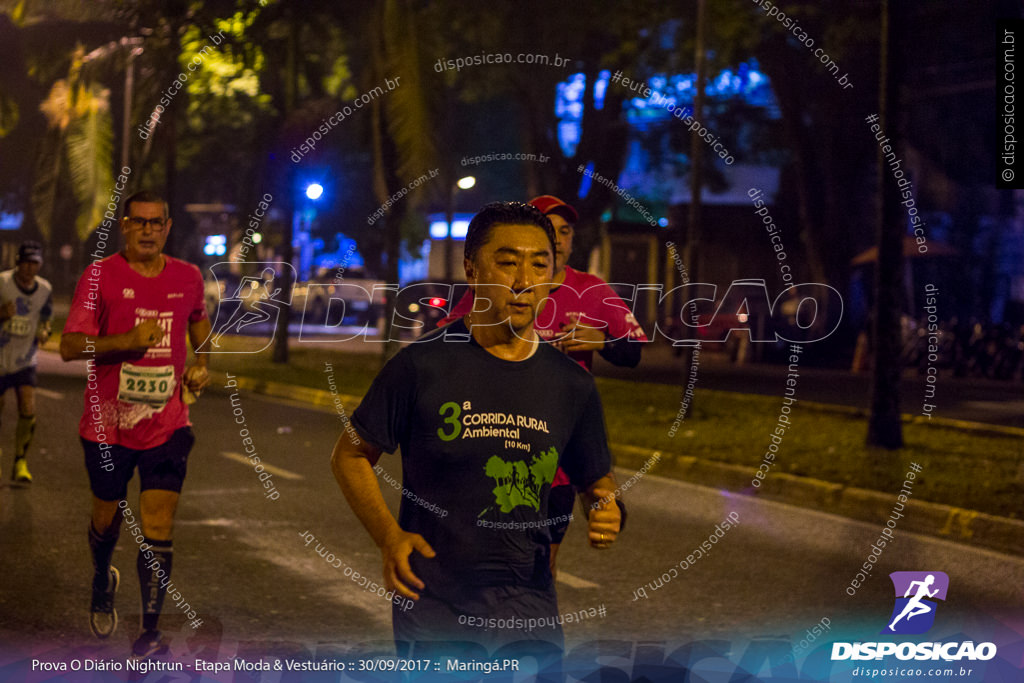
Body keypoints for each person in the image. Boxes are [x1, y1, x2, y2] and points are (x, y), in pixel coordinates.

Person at [332, 201, 622, 661]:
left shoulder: (572, 383)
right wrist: (389, 536)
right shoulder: (421, 366)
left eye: (539, 264)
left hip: (530, 605)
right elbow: (350, 455)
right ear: (471, 268)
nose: (524, 281)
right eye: (507, 263)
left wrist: (605, 506)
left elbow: (595, 478)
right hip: (436, 606)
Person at [439, 195, 645, 574]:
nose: (560, 240)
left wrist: (601, 340)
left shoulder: (593, 290)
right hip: (496, 437)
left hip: (560, 448)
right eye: (551, 231)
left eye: (565, 232)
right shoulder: (499, 287)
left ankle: (531, 618)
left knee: (541, 559)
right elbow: (447, 338)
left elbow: (633, 353)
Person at [60, 190, 211, 658]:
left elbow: (198, 321)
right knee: (106, 518)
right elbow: (68, 347)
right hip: (108, 426)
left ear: (167, 228)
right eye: (139, 222)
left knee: (158, 522)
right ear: (125, 226)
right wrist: (124, 340)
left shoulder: (187, 277)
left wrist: (201, 361)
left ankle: (149, 633)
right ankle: (103, 577)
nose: (148, 230)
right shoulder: (98, 276)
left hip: (168, 423)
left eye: (156, 223)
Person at [0, 241, 53, 484]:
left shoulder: (44, 289)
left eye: (35, 263)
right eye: (27, 262)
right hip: (1, 358)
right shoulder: (2, 282)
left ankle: (20, 460)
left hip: (25, 359)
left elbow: (46, 320)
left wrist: (45, 331)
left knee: (28, 408)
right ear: (18, 262)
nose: (30, 268)